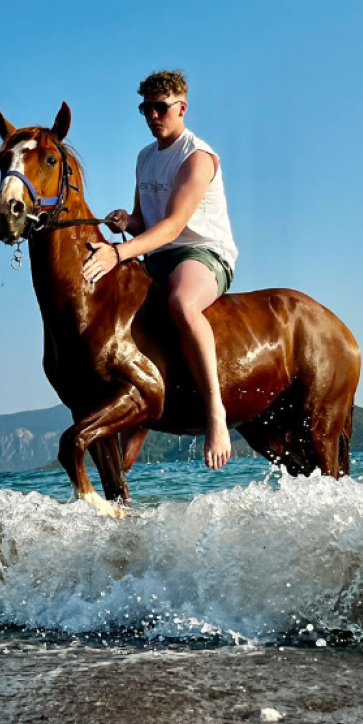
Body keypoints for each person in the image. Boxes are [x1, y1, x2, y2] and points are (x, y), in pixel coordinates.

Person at [81, 69, 239, 470]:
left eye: (160, 107)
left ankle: (216, 416)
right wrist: (125, 222)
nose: (152, 115)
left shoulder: (197, 158)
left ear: (181, 107)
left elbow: (172, 225)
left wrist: (118, 253)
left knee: (182, 304)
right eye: (145, 108)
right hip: (158, 253)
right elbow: (145, 220)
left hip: (200, 253)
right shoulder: (144, 158)